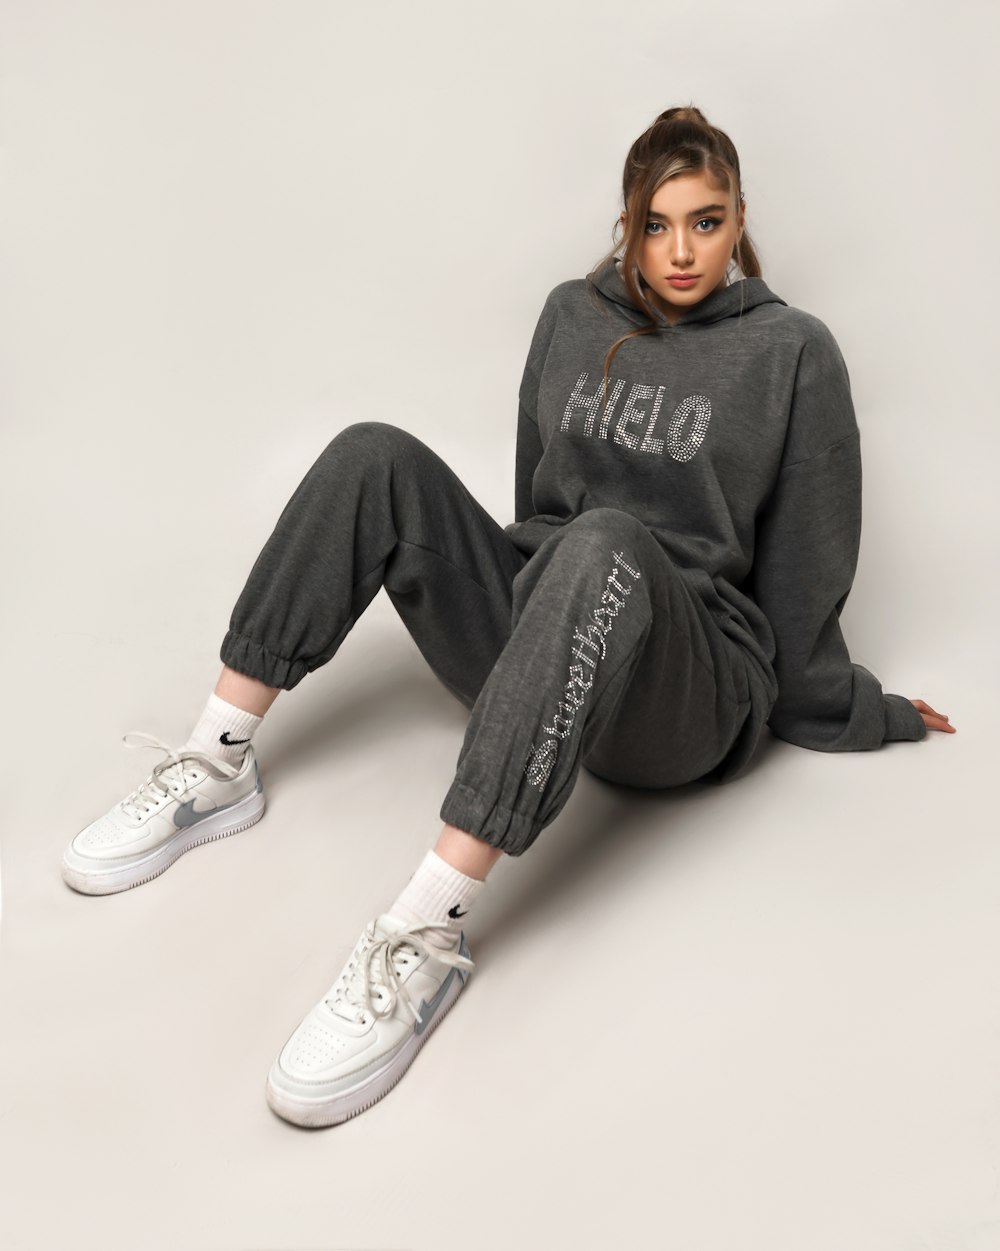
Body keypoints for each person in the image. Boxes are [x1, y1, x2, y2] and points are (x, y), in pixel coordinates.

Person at [60, 104, 956, 1128]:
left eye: (704, 223)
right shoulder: (571, 316)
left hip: (687, 691)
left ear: (740, 219)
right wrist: (528, 605)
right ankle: (215, 762)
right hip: (558, 631)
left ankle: (423, 935)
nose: (679, 251)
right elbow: (537, 508)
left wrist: (855, 707)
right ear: (626, 224)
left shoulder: (792, 352)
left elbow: (803, 569)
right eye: (655, 224)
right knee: (373, 452)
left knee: (606, 538)